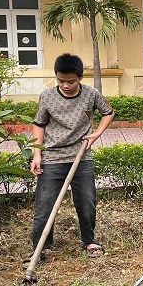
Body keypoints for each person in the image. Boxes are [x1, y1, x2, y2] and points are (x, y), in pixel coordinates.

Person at [30, 53, 114, 261]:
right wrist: (37, 154)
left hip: (81, 156)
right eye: (61, 81)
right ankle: (40, 248)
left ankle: (90, 240)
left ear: (80, 78)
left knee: (86, 201)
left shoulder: (91, 94)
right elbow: (39, 125)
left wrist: (96, 134)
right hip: (52, 157)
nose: (65, 85)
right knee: (45, 204)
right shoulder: (47, 96)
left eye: (71, 81)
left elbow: (108, 112)